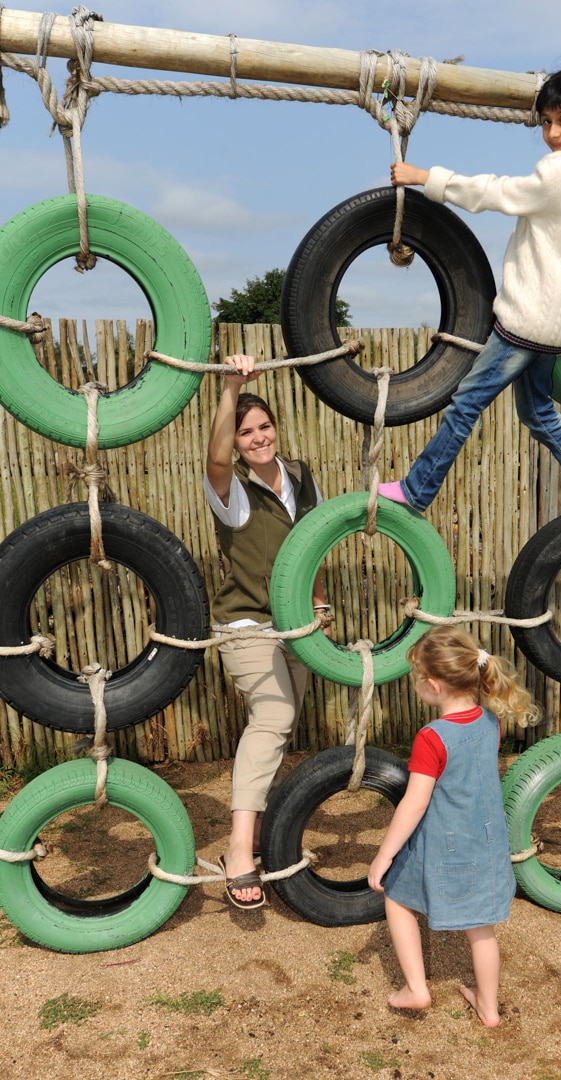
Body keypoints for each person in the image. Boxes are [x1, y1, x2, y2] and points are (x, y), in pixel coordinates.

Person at [378, 60, 561, 518]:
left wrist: (426, 178)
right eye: (546, 122)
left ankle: (418, 489)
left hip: (527, 321)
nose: (554, 134)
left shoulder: (559, 172)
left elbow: (497, 192)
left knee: (465, 403)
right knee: (538, 413)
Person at [204, 354, 328, 909]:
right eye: (245, 431)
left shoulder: (300, 475)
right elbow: (216, 455)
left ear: (277, 427)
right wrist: (231, 389)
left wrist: (320, 599)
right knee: (274, 716)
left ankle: (257, 833)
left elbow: (317, 539)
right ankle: (237, 851)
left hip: (295, 622)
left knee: (282, 723)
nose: (257, 438)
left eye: (264, 427)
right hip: (247, 623)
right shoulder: (229, 491)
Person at [367, 625, 539, 1025]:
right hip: (485, 844)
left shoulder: (431, 738)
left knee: (396, 899)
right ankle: (490, 1008)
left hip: (445, 849)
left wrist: (384, 854)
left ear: (433, 686)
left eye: (416, 680)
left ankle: (416, 989)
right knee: (482, 929)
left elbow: (414, 803)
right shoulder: (489, 723)